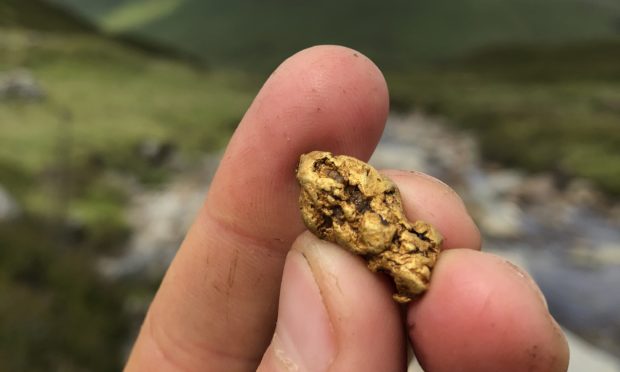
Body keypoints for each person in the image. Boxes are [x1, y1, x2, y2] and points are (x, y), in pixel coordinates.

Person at [123, 46, 569, 371]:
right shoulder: (315, 202)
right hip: (373, 238)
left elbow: (384, 194)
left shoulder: (354, 184)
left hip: (384, 233)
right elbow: (328, 223)